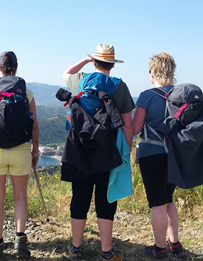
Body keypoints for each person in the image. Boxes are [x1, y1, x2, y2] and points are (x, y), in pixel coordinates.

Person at [61, 44, 134, 261]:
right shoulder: (119, 87)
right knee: (105, 200)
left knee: (79, 198)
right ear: (112, 64)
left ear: (94, 62)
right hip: (106, 149)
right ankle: (106, 252)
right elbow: (127, 125)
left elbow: (65, 73)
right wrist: (126, 151)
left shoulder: (80, 80)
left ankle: (75, 249)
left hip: (78, 148)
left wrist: (85, 61)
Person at [0, 51, 39, 260]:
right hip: (21, 150)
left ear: (0, 67)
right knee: (21, 197)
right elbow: (34, 125)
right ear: (16, 67)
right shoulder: (26, 91)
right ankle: (20, 242)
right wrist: (35, 150)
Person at [132, 53, 186, 260]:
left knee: (157, 203)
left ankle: (159, 249)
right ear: (172, 71)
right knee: (168, 199)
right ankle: (176, 245)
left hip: (151, 154)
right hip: (174, 154)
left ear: (152, 72)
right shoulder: (181, 94)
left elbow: (136, 128)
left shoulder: (146, 95)